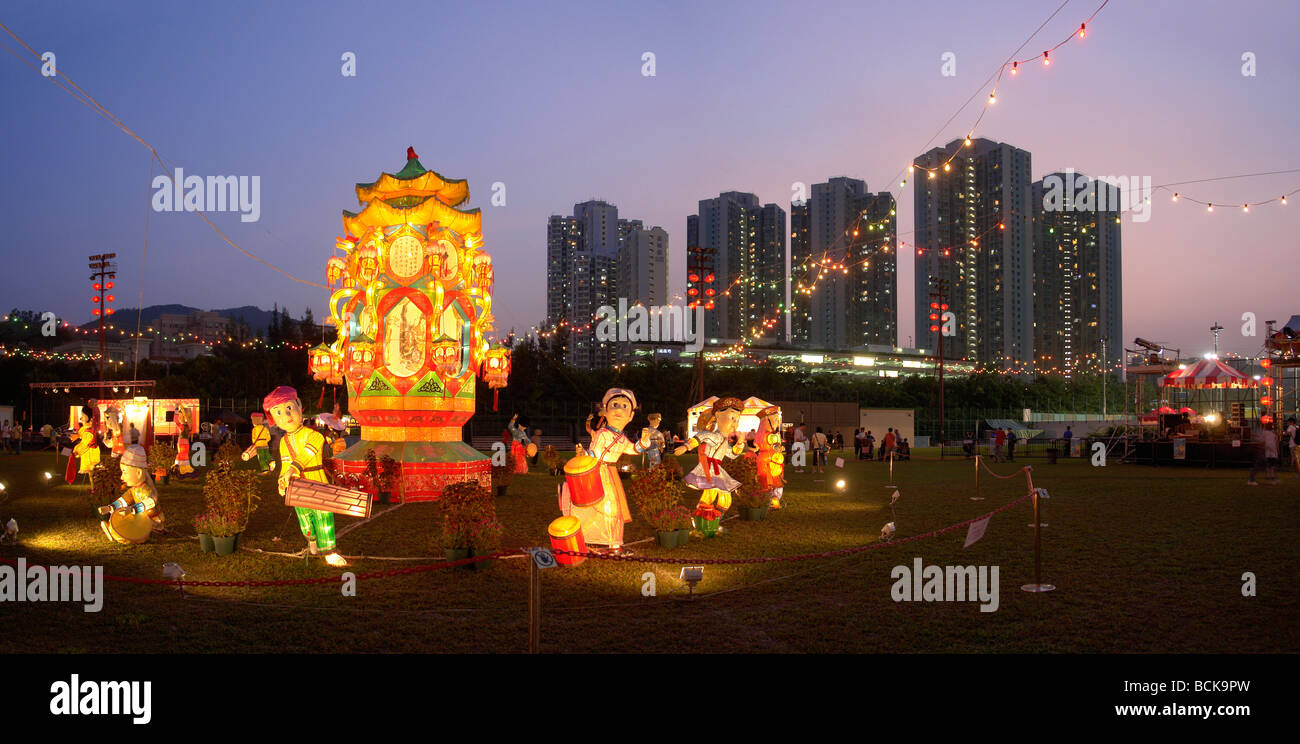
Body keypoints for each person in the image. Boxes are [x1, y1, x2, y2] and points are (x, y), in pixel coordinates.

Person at [265, 386, 348, 567]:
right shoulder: (283, 443)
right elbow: (285, 463)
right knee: (304, 518)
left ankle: (329, 550)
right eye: (278, 412)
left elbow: (309, 451)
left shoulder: (313, 435)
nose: (286, 416)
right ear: (273, 419)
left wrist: (294, 468)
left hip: (316, 479)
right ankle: (311, 543)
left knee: (323, 515)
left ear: (298, 406)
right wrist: (282, 482)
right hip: (297, 486)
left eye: (289, 408)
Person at [566, 388, 650, 552]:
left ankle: (611, 540)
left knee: (611, 506)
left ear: (631, 416)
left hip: (611, 474)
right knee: (600, 505)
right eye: (615, 405)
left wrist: (644, 441)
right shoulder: (603, 434)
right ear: (604, 410)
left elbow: (634, 449)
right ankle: (592, 538)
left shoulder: (622, 437)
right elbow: (595, 452)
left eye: (625, 406)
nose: (619, 409)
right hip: (598, 471)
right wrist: (584, 454)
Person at [676, 397, 745, 532]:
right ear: (718, 416)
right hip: (709, 469)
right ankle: (703, 522)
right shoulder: (715, 436)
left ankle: (711, 521)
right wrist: (686, 447)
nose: (734, 424)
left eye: (737, 420)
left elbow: (731, 454)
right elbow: (701, 436)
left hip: (716, 469)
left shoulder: (724, 439)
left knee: (720, 499)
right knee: (715, 497)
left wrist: (740, 443)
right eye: (732, 418)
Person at [98, 444, 165, 544]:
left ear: (138, 473)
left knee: (132, 529)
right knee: (124, 517)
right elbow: (124, 500)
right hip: (140, 517)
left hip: (152, 522)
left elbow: (150, 502)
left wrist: (132, 509)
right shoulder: (133, 490)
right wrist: (110, 507)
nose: (122, 477)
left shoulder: (146, 490)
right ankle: (113, 530)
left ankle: (117, 534)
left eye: (124, 472)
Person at [753, 405, 785, 508]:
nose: (777, 423)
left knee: (765, 480)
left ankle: (767, 500)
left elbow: (757, 447)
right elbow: (776, 447)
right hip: (769, 460)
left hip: (763, 459)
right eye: (775, 420)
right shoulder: (771, 436)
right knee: (772, 480)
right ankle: (772, 501)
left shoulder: (761, 434)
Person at [1248, 421, 1280, 486]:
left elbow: (1260, 440)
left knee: (1266, 463)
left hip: (1264, 450)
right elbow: (1273, 441)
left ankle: (1271, 477)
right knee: (1264, 464)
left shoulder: (1266, 432)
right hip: (1265, 450)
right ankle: (1271, 477)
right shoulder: (1269, 433)